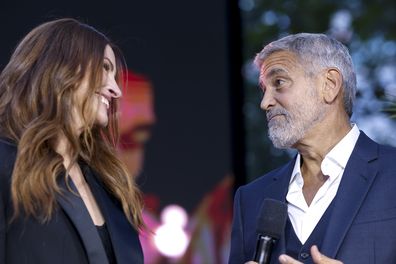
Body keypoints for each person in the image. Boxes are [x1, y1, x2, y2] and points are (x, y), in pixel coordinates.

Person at [229, 33, 396, 264]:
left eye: (279, 83)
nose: (265, 102)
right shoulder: (250, 199)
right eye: (263, 89)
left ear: (329, 85)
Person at [0, 18, 144, 263]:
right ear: (61, 67)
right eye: (104, 68)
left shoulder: (110, 186)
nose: (116, 90)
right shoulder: (6, 166)